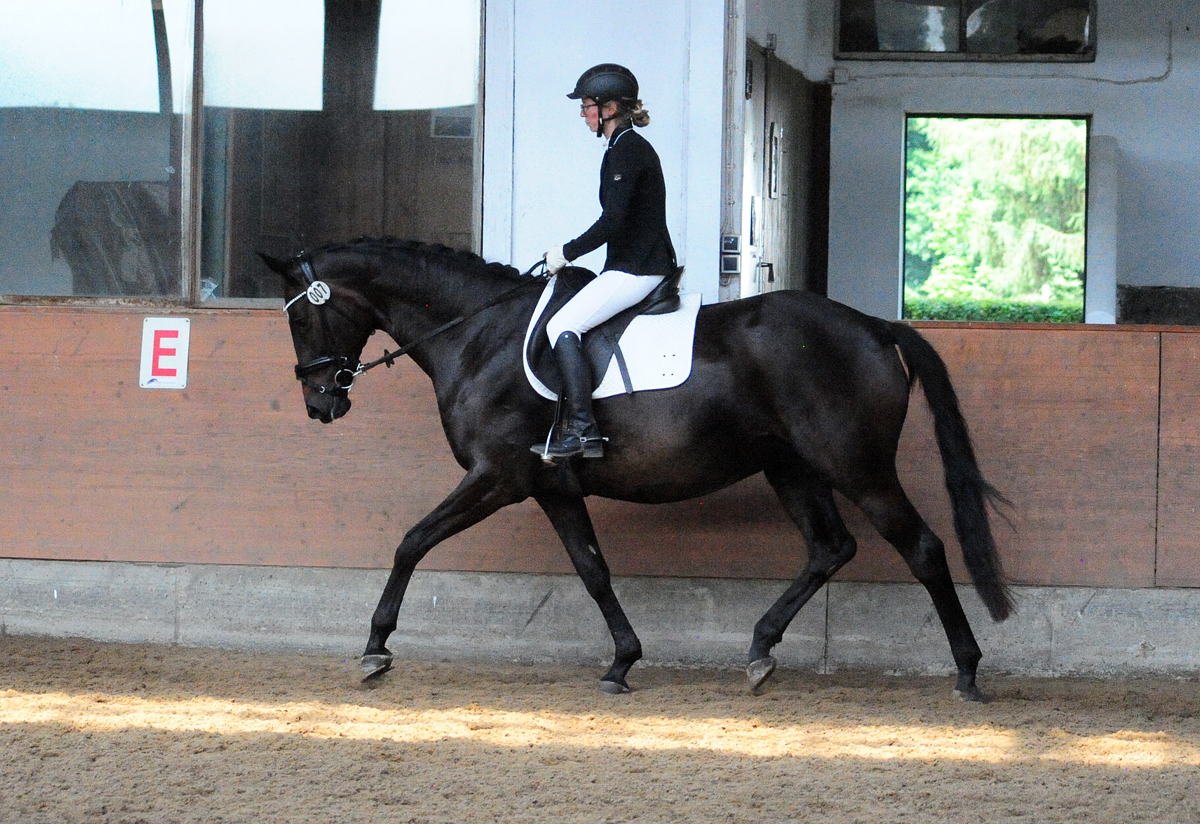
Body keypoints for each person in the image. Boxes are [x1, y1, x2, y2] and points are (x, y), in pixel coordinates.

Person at [535, 63, 678, 462]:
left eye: (587, 107)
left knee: (562, 324)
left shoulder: (629, 150)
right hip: (633, 263)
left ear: (610, 108)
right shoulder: (620, 148)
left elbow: (612, 221)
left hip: (639, 267)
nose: (583, 115)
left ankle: (582, 429)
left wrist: (567, 251)